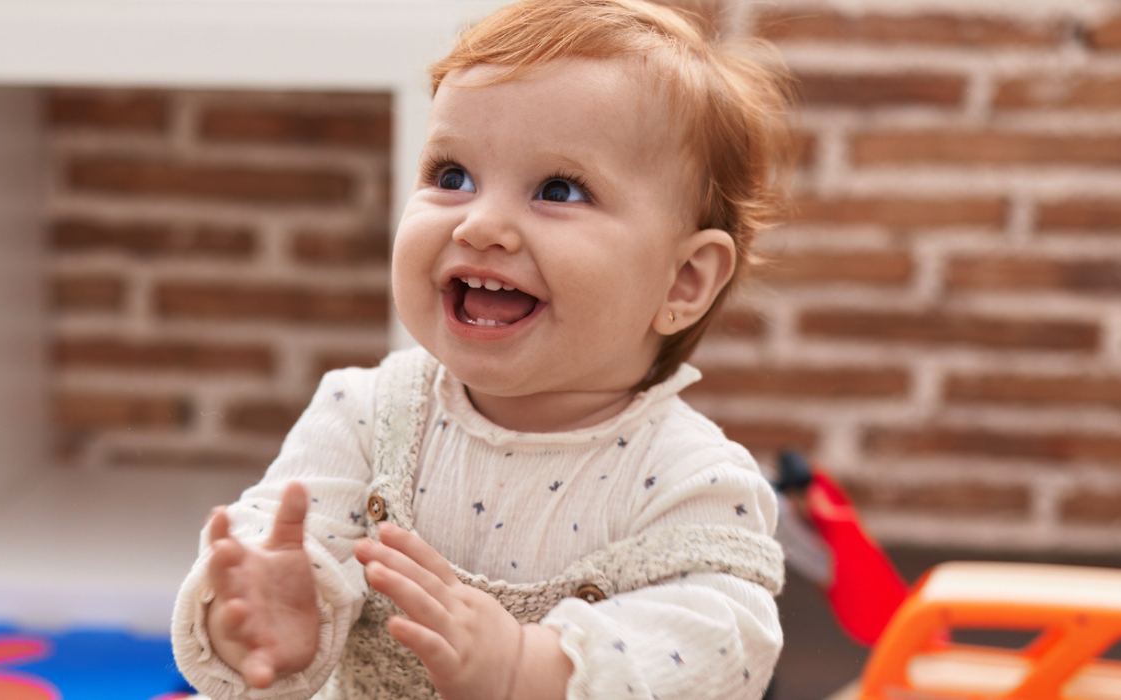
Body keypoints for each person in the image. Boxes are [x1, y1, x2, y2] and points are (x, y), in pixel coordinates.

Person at [169, 1, 797, 699]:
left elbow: (720, 644)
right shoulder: (365, 415)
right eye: (452, 176)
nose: (482, 223)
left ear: (682, 279)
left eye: (558, 190)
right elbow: (286, 540)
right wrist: (264, 617)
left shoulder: (691, 478)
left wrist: (527, 668)